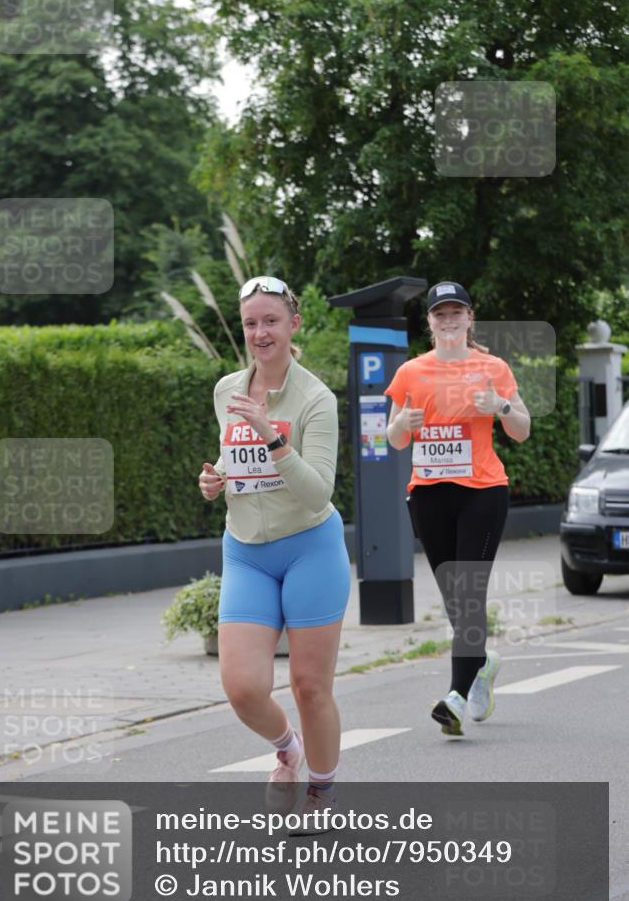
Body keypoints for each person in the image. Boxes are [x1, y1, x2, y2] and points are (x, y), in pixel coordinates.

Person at [199, 276, 350, 812]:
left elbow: (318, 493)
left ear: (293, 325)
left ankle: (320, 792)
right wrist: (215, 478)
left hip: (310, 546)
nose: (260, 332)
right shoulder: (227, 390)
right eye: (251, 324)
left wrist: (271, 435)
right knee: (243, 687)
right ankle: (288, 751)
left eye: (270, 321)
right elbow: (234, 461)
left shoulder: (316, 399)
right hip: (246, 551)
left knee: (310, 686)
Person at [385, 282, 531, 736]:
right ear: (429, 323)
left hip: (482, 493)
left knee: (468, 595)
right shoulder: (411, 372)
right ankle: (482, 665)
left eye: (456, 313)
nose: (448, 321)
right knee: (455, 600)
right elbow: (394, 438)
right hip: (429, 494)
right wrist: (401, 424)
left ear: (470, 319)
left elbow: (521, 429)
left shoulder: (492, 367)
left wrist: (502, 405)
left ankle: (454, 697)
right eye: (439, 314)